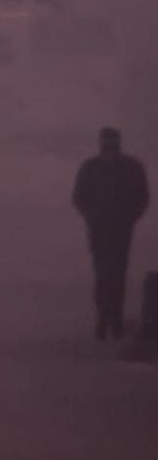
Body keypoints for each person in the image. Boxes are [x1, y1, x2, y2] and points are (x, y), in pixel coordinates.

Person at [73, 127, 149, 340]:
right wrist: (93, 217)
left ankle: (113, 318)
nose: (109, 149)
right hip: (101, 229)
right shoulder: (93, 168)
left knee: (115, 273)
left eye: (111, 144)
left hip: (120, 229)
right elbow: (79, 198)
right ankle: (105, 317)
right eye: (107, 144)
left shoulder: (127, 167)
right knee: (105, 273)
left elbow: (142, 197)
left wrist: (130, 217)